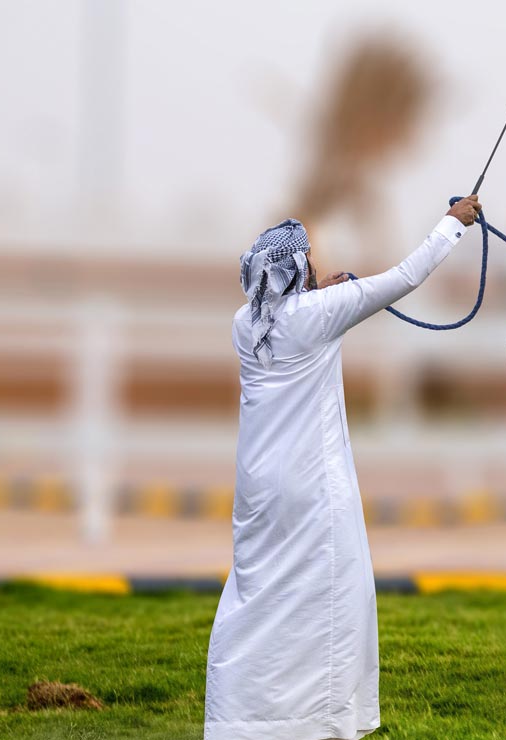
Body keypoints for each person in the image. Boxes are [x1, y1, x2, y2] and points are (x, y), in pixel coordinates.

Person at [204, 195, 482, 740]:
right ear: (299, 269)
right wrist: (454, 224)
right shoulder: (319, 314)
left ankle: (243, 721)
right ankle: (323, 721)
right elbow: (404, 277)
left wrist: (318, 294)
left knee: (257, 595)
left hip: (259, 488)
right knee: (336, 596)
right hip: (313, 485)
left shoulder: (245, 323)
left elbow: (289, 315)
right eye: (308, 260)